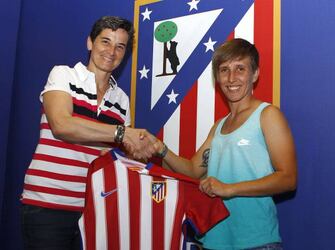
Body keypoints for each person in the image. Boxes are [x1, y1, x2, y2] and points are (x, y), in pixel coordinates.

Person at [20, 16, 156, 249]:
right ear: (90, 43)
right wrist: (122, 133)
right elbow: (62, 125)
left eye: (120, 46)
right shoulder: (64, 75)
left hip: (94, 208)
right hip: (47, 205)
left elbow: (115, 154)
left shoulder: (122, 100)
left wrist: (145, 149)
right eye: (105, 42)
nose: (111, 51)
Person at [153, 38, 297, 249]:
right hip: (214, 241)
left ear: (255, 74)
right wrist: (160, 148)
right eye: (224, 70)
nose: (231, 78)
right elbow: (193, 170)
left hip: (255, 241)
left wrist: (230, 189)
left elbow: (288, 178)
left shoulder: (267, 115)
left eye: (240, 68)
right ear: (217, 78)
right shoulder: (219, 126)